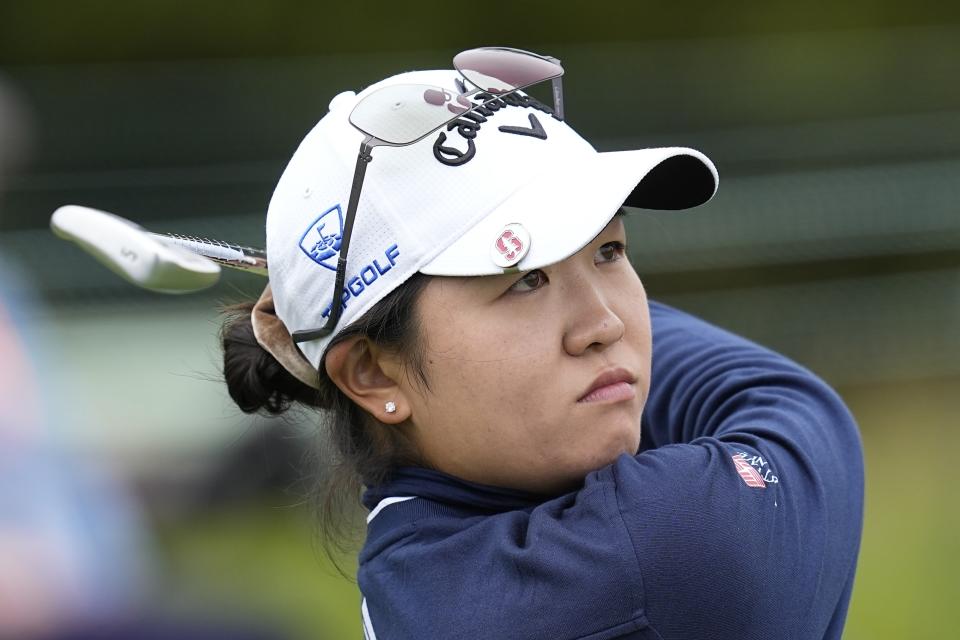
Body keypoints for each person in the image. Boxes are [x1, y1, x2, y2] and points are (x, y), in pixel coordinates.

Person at [220, 48, 864, 639]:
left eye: (609, 250)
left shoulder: (414, 569)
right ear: (373, 375)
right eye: (525, 279)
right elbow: (789, 402)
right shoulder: (665, 547)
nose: (605, 324)